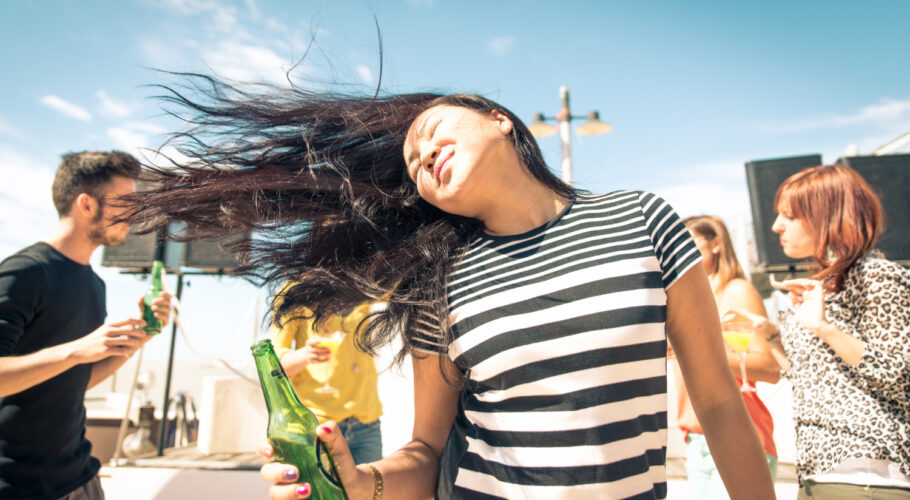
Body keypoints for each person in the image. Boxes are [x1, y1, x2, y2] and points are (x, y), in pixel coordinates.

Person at [131, 79, 776, 499]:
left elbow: (720, 403)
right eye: (414, 166)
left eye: (433, 132)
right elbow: (425, 450)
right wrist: (362, 484)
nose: (422, 156)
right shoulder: (438, 283)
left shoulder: (642, 217)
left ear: (498, 119)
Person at [0, 151, 172, 500]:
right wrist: (76, 350)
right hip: (18, 487)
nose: (134, 215)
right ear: (86, 204)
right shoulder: (24, 273)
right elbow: (73, 357)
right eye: (124, 203)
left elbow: (76, 379)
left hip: (80, 477)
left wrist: (141, 335)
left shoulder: (95, 284)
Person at [738, 164, 910, 498]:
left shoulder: (876, 276)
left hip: (869, 476)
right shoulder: (825, 285)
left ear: (826, 217)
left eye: (788, 216)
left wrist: (824, 328)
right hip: (819, 474)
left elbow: (901, 374)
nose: (776, 226)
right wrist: (772, 334)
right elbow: (817, 381)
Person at [673, 215, 780, 499]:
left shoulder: (737, 290)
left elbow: (769, 368)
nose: (679, 250)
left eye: (689, 241)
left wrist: (690, 347)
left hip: (739, 430)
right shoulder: (689, 297)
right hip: (697, 439)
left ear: (716, 244)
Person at [271, 293, 383, 465]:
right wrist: (305, 355)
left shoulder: (361, 281)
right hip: (317, 424)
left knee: (368, 492)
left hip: (366, 422)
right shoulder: (294, 289)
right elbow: (274, 365)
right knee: (320, 491)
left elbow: (397, 286)